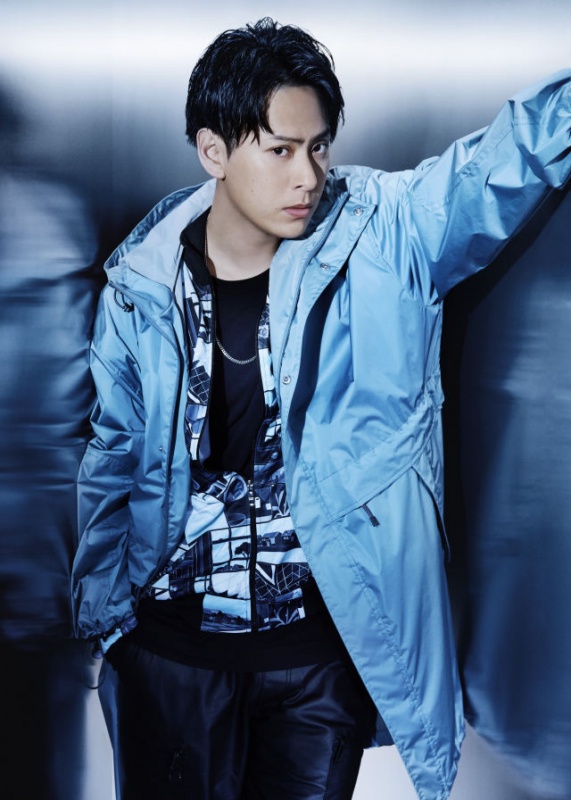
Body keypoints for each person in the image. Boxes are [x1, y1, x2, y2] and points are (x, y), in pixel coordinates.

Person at [71, 17, 571, 800]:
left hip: (314, 665)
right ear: (213, 152)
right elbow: (114, 451)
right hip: (168, 654)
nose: (307, 175)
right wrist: (102, 622)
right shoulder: (142, 282)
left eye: (319, 147)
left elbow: (500, 163)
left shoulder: (385, 231)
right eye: (280, 151)